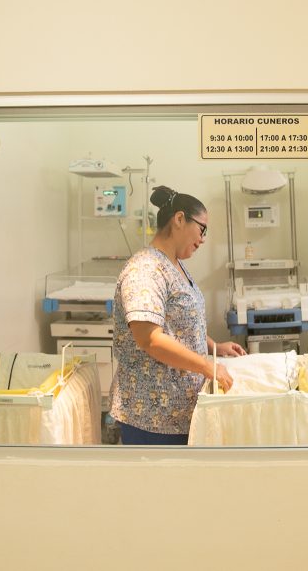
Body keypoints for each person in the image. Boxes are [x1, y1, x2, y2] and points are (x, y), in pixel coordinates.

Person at [110, 185, 246, 445]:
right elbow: (150, 338)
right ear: (180, 219)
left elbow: (179, 322)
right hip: (151, 416)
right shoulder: (146, 269)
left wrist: (213, 346)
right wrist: (207, 366)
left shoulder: (175, 265)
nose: (203, 239)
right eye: (202, 228)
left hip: (180, 410)